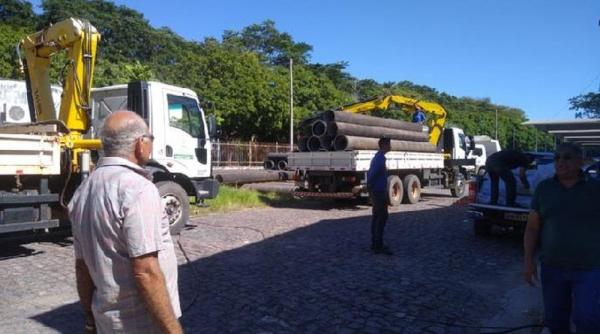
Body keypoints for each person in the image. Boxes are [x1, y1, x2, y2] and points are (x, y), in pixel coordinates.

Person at [68, 111, 182, 334]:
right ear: (140, 144)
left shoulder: (84, 190)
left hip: (107, 322)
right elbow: (146, 272)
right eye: (150, 138)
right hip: (143, 323)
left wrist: (90, 320)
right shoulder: (137, 190)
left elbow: (82, 267)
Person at [524, 142, 600, 333]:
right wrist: (528, 261)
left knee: (587, 318)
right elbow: (532, 228)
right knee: (555, 321)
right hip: (552, 268)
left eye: (567, 157)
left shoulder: (595, 189)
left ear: (580, 161)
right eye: (557, 157)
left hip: (589, 269)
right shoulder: (544, 189)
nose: (560, 161)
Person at [367, 137, 392, 255]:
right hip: (378, 191)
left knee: (377, 217)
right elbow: (373, 174)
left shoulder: (378, 157)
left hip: (376, 191)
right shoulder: (380, 159)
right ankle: (378, 245)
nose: (390, 146)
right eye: (389, 144)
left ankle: (375, 243)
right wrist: (370, 186)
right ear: (384, 145)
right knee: (381, 217)